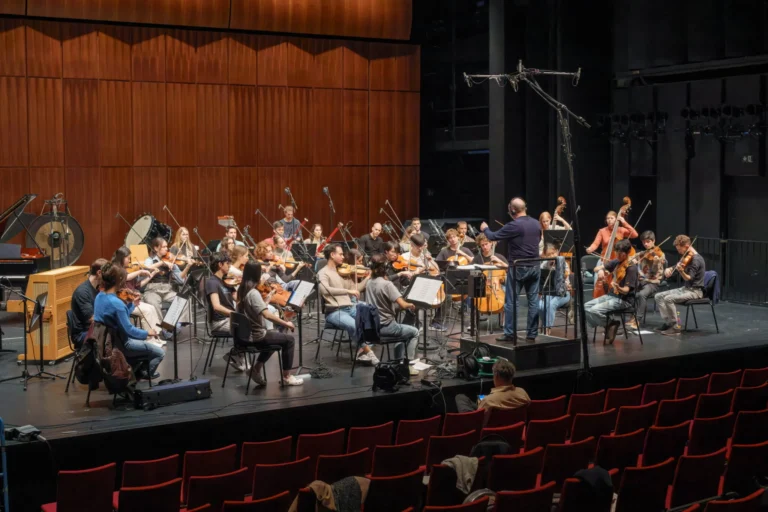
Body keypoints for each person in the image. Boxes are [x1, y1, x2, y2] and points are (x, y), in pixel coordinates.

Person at [480, 197, 542, 343]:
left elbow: (492, 237)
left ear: (512, 210)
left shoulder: (514, 225)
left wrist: (485, 228)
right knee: (533, 302)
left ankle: (509, 334)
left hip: (519, 267)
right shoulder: (536, 223)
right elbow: (538, 240)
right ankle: (531, 334)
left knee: (511, 302)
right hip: (535, 266)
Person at [237, 261, 304, 386]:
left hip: (245, 335)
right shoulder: (253, 293)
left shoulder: (243, 290)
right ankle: (287, 377)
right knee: (289, 340)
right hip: (256, 336)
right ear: (256, 274)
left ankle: (256, 369)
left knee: (276, 337)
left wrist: (268, 297)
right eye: (261, 272)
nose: (263, 274)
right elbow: (267, 315)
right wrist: (286, 323)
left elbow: (255, 309)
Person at [93, 262, 164, 378]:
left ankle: (134, 369)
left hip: (104, 343)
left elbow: (120, 316)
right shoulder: (116, 303)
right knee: (159, 353)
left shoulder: (99, 296)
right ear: (120, 281)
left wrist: (132, 305)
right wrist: (147, 333)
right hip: (122, 345)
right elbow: (129, 330)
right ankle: (142, 375)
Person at [317, 243, 378, 364]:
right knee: (354, 325)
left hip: (350, 307)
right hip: (335, 311)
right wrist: (347, 291)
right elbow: (325, 290)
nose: (343, 257)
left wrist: (368, 277)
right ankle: (368, 352)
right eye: (340, 254)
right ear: (332, 255)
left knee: (371, 316)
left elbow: (357, 288)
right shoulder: (323, 273)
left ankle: (361, 350)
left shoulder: (343, 271)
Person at [366, 254, 420, 374]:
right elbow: (403, 305)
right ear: (384, 269)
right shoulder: (387, 285)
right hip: (386, 327)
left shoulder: (369, 282)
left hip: (372, 328)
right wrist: (411, 304)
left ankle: (397, 361)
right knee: (414, 332)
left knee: (403, 331)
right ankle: (407, 365)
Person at [584, 239, 639, 344]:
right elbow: (596, 268)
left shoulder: (631, 268)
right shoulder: (617, 261)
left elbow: (626, 291)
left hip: (624, 300)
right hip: (611, 295)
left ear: (626, 253)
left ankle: (610, 325)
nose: (617, 254)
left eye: (620, 253)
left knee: (594, 310)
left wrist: (619, 288)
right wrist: (601, 270)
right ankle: (610, 325)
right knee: (586, 306)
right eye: (616, 252)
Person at [112, 246, 166, 346]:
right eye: (128, 258)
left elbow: (138, 285)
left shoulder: (126, 269)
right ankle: (149, 339)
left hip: (132, 298)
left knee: (152, 307)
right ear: (122, 258)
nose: (130, 260)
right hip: (125, 302)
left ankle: (156, 336)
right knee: (147, 310)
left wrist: (151, 275)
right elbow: (125, 278)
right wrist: (140, 271)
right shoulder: (116, 270)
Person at [653, 235, 706, 335]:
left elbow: (688, 278)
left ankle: (676, 326)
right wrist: (670, 269)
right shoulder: (687, 257)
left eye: (679, 249)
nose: (678, 251)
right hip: (686, 288)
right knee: (658, 296)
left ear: (686, 246)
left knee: (668, 299)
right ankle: (669, 323)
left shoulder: (696, 260)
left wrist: (681, 271)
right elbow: (679, 266)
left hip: (695, 291)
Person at [205, 252, 247, 371]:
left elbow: (238, 299)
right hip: (219, 322)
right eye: (228, 263)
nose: (230, 266)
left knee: (250, 324)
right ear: (220, 264)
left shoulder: (227, 281)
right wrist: (235, 315)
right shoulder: (212, 282)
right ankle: (236, 355)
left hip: (230, 319)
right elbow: (216, 306)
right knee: (245, 327)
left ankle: (237, 356)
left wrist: (243, 285)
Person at [454, 360, 531, 424]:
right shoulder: (522, 393)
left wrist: (484, 402)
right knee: (475, 398)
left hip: (489, 437)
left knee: (460, 398)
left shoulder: (488, 401)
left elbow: (479, 424)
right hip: (515, 433)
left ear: (496, 376)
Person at [401, 233, 445, 331]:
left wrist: (431, 261)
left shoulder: (425, 256)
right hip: (410, 287)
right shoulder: (405, 257)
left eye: (422, 246)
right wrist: (419, 270)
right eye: (418, 246)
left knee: (446, 296)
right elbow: (404, 277)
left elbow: (437, 271)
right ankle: (416, 323)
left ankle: (436, 322)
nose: (420, 249)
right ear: (411, 245)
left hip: (426, 286)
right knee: (416, 296)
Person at [142, 237, 194, 320]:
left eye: (167, 246)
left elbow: (180, 279)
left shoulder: (170, 260)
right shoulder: (150, 259)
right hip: (152, 291)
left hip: (167, 290)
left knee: (183, 300)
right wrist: (161, 263)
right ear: (156, 248)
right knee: (153, 303)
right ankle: (159, 328)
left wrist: (188, 266)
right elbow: (146, 268)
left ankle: (170, 325)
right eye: (164, 247)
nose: (167, 249)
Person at [627, 231, 666, 329]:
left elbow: (653, 272)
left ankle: (637, 320)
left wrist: (656, 263)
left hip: (652, 282)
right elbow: (629, 258)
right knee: (627, 291)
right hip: (641, 281)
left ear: (653, 241)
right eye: (644, 242)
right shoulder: (643, 253)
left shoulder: (660, 255)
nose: (646, 244)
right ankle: (632, 316)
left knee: (641, 295)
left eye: (648, 242)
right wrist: (633, 260)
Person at [70, 258, 108, 347]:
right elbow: (93, 319)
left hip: (94, 328)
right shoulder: (82, 292)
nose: (108, 278)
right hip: (83, 333)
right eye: (107, 275)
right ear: (99, 273)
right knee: (113, 334)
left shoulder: (98, 288)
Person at [537, 243, 572, 335]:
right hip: (550, 292)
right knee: (540, 305)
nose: (551, 256)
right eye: (548, 255)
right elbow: (541, 277)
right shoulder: (545, 264)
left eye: (553, 253)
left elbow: (566, 275)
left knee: (551, 304)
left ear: (557, 252)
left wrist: (560, 272)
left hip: (563, 293)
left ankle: (547, 329)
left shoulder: (563, 263)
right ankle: (545, 325)